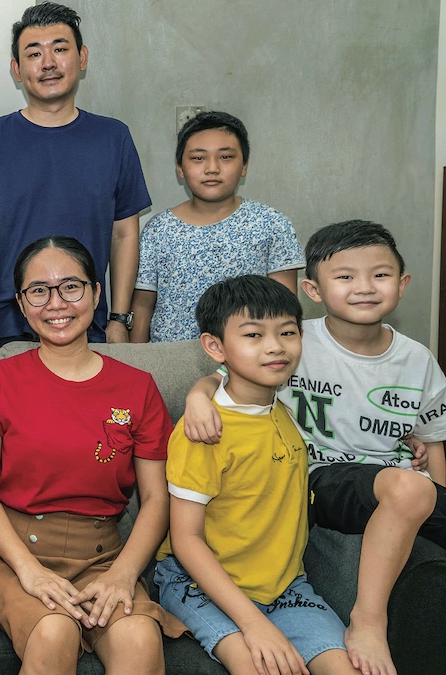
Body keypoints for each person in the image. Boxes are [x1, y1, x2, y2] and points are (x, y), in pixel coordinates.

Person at [181, 220, 446, 675]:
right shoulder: (292, 339)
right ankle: (367, 621)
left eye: (380, 274)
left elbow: (433, 440)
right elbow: (228, 374)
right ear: (312, 289)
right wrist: (197, 397)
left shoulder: (417, 358)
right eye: (346, 276)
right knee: (409, 486)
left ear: (402, 283)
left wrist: (432, 505)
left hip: (400, 484)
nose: (365, 287)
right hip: (324, 478)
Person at [0, 236, 185, 672]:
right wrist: (29, 571)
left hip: (103, 558)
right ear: (22, 305)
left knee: (140, 639)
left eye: (70, 286)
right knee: (54, 630)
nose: (56, 303)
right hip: (11, 554)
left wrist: (123, 574)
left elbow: (157, 499)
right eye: (38, 291)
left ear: (96, 294)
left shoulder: (137, 387)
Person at [154, 275, 360, 675]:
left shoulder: (286, 405)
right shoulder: (204, 431)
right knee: (256, 666)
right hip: (197, 583)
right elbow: (186, 539)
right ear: (215, 346)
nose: (275, 346)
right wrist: (254, 624)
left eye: (287, 332)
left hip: (284, 586)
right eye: (253, 335)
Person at [0, 2, 149, 346]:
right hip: (8, 327)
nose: (48, 63)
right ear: (17, 69)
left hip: (88, 323)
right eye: (34, 53)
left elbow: (124, 234)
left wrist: (118, 319)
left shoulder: (113, 137)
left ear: (82, 58)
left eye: (60, 49)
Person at [131, 111, 303, 343]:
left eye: (226, 157)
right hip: (170, 355)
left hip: (248, 356)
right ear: (180, 168)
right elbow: (143, 305)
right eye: (198, 158)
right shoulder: (158, 229)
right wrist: (138, 358)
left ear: (244, 166)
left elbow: (285, 307)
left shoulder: (272, 224)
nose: (212, 168)